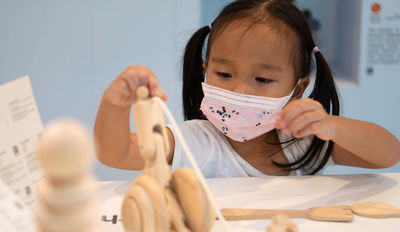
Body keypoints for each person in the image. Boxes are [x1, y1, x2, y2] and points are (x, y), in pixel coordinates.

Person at [94, 0, 400, 178]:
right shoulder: (193, 142)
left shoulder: (302, 145)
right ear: (205, 72)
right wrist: (115, 104)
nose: (240, 89)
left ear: (297, 89)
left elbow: (388, 155)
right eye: (224, 73)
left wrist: (332, 126)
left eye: (263, 80)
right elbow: (116, 154)